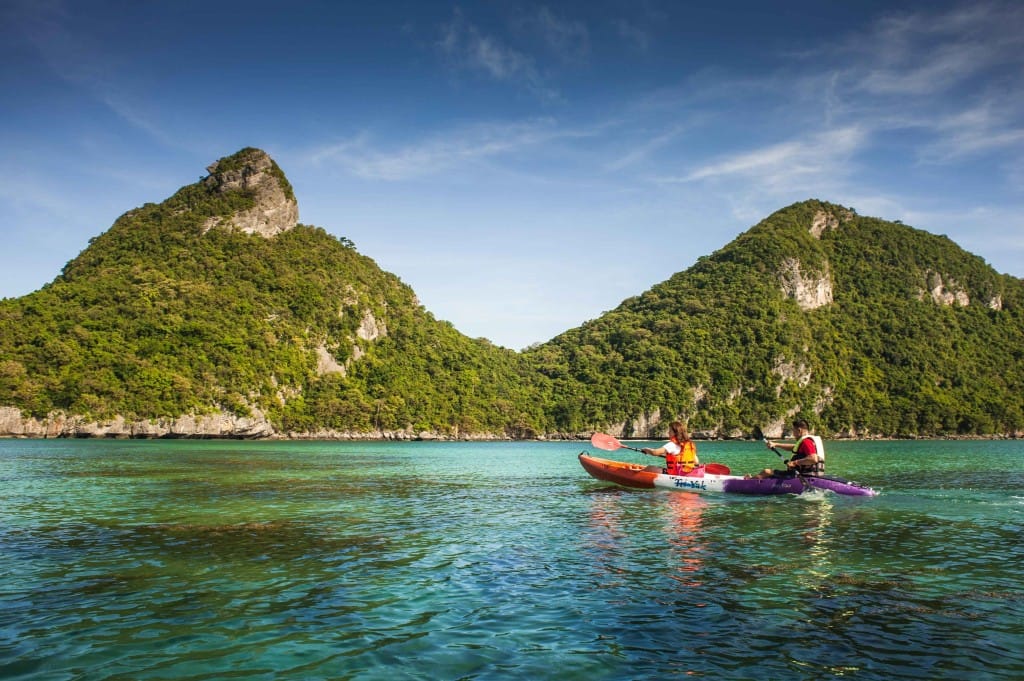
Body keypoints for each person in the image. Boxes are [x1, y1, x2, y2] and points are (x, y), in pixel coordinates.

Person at [751, 418, 824, 479]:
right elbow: (794, 447)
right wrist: (775, 444)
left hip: (801, 476)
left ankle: (747, 481)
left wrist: (794, 463)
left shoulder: (806, 442)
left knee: (766, 472)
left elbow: (813, 459)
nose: (793, 433)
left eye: (793, 431)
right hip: (812, 475)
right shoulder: (809, 441)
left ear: (799, 430)